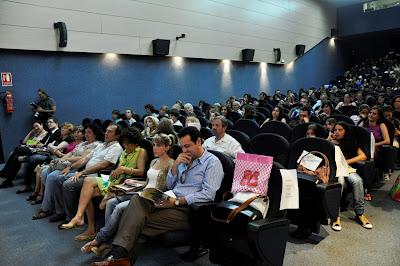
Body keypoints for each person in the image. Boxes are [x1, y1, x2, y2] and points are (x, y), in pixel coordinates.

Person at [92, 127, 224, 265]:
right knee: (138, 199)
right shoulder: (183, 159)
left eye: (188, 146)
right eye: (182, 146)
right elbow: (170, 184)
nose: (184, 150)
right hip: (169, 200)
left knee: (136, 223)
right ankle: (118, 259)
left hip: (188, 210)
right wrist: (175, 166)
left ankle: (115, 257)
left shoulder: (212, 162)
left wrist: (177, 201)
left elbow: (208, 194)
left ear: (199, 141)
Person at [81, 133, 174, 257]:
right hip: (142, 191)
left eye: (158, 145)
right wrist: (135, 181)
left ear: (167, 147)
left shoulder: (171, 164)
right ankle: (109, 241)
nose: (154, 148)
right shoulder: (154, 161)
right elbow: (148, 182)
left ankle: (99, 240)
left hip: (152, 197)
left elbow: (168, 187)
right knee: (111, 202)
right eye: (153, 145)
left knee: (119, 207)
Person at [60, 127, 147, 241]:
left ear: (135, 143)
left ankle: (88, 227)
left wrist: (123, 169)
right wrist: (118, 170)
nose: (125, 146)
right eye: (124, 143)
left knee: (88, 193)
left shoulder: (141, 151)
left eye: (127, 144)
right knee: (87, 183)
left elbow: (140, 171)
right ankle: (80, 217)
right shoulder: (125, 151)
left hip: (125, 183)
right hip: (112, 179)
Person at [32, 123, 102, 220]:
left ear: (95, 134)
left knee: (52, 177)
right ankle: (54, 206)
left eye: (89, 132)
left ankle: (47, 209)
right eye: (85, 132)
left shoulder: (97, 145)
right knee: (44, 172)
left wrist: (65, 160)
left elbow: (82, 158)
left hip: (78, 167)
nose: (86, 134)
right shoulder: (83, 143)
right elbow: (71, 153)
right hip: (68, 164)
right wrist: (61, 159)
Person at [330, 122, 373, 230]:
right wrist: (329, 139)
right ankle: (335, 215)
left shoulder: (350, 143)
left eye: (340, 130)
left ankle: (359, 214)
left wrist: (347, 161)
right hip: (333, 170)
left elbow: (363, 156)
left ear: (346, 131)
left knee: (357, 181)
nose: (337, 132)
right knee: (340, 183)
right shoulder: (329, 143)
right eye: (335, 130)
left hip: (346, 168)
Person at [0, 117, 61, 189]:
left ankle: (5, 173)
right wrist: (30, 133)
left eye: (37, 126)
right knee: (16, 156)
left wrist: (33, 143)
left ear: (42, 125)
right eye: (48, 122)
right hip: (36, 149)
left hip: (42, 151)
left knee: (18, 150)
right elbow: (25, 142)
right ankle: (8, 180)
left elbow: (40, 144)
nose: (48, 124)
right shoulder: (41, 134)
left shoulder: (49, 133)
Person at [359, 106, 391, 183]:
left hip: (377, 147)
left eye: (374, 114)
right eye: (370, 113)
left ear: (378, 116)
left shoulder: (381, 125)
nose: (371, 115)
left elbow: (387, 141)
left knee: (370, 152)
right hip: (363, 146)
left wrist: (375, 144)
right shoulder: (363, 123)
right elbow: (356, 135)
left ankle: (369, 175)